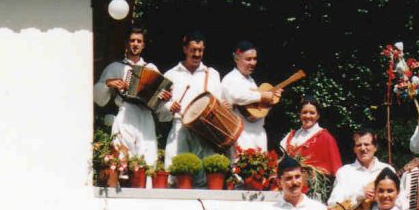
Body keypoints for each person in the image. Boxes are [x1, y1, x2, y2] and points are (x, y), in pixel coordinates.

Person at [93, 27, 170, 167]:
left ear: (143, 45)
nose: (135, 44)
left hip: (145, 116)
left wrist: (164, 98)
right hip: (125, 114)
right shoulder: (116, 67)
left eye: (139, 41)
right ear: (126, 44)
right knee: (122, 158)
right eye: (132, 40)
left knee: (148, 159)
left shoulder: (151, 68)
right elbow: (98, 98)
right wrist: (108, 84)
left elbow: (159, 105)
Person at [162, 31, 223, 183]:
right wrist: (170, 107)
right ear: (185, 49)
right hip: (179, 131)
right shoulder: (170, 75)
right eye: (193, 50)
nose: (197, 54)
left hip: (204, 133)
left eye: (200, 50)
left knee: (203, 179)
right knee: (175, 177)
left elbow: (218, 105)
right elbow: (159, 109)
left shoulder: (212, 74)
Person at [220, 41, 281, 151]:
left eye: (254, 58)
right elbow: (237, 96)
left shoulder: (251, 81)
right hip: (241, 136)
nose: (253, 63)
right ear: (236, 59)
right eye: (248, 59)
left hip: (259, 134)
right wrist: (262, 96)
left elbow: (256, 110)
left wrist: (271, 100)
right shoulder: (230, 79)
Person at [327, 129, 393, 208]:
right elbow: (333, 204)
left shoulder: (387, 169)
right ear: (354, 149)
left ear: (375, 147)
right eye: (359, 145)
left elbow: (401, 200)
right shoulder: (345, 172)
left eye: (366, 144)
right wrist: (360, 194)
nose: (363, 148)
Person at [278, 98, 342, 178]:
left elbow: (336, 169)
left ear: (318, 115)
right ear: (300, 114)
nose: (308, 116)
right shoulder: (292, 135)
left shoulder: (326, 138)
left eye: (312, 113)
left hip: (314, 187)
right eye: (304, 112)